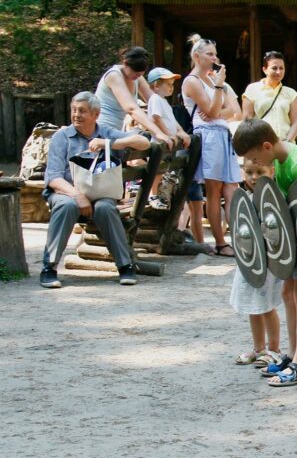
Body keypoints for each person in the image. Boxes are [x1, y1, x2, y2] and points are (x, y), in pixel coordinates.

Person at [232, 118, 297, 388]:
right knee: (288, 293)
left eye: (253, 157)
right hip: (291, 242)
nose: (254, 163)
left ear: (267, 145)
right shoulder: (281, 162)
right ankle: (293, 354)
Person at [39, 92, 151, 288]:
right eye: (74, 110)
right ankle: (49, 267)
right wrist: (77, 195)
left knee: (105, 208)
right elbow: (53, 177)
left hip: (101, 193)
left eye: (82, 111)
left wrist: (109, 143)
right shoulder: (61, 137)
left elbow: (144, 142)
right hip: (66, 192)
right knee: (67, 206)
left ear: (96, 114)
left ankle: (125, 266)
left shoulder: (106, 133)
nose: (76, 115)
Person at [182, 34, 242, 257]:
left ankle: (238, 239)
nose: (214, 58)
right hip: (207, 137)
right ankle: (220, 242)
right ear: (197, 57)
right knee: (214, 191)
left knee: (232, 189)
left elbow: (235, 111)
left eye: (215, 54)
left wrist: (218, 105)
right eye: (209, 54)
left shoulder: (216, 81)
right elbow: (213, 111)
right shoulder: (192, 81)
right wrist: (218, 93)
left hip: (223, 135)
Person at [230, 157, 284, 365]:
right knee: (253, 306)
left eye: (259, 172)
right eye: (249, 172)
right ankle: (259, 348)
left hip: (269, 263)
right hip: (250, 260)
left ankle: (274, 349)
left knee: (267, 305)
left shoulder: (274, 199)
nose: (254, 177)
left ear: (271, 172)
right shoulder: (246, 198)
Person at [94, 46, 174, 149]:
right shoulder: (114, 76)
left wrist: (178, 131)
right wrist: (158, 132)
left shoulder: (137, 77)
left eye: (141, 73)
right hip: (102, 129)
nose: (138, 76)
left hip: (116, 130)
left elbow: (157, 103)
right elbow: (132, 109)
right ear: (125, 63)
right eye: (136, 73)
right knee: (142, 140)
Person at [145, 67, 191, 209]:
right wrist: (166, 134)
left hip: (167, 143)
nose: (171, 88)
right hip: (160, 143)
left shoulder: (164, 102)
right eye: (168, 85)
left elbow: (172, 121)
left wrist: (181, 132)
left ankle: (159, 194)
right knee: (157, 170)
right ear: (156, 85)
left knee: (162, 170)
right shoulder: (155, 99)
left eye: (172, 85)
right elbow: (156, 118)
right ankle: (152, 195)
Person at [242, 51, 297, 142]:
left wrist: (288, 141)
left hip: (286, 145)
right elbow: (247, 121)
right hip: (261, 145)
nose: (278, 72)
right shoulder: (252, 89)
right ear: (264, 69)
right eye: (274, 68)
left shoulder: (291, 93)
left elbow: (296, 122)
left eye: (282, 68)